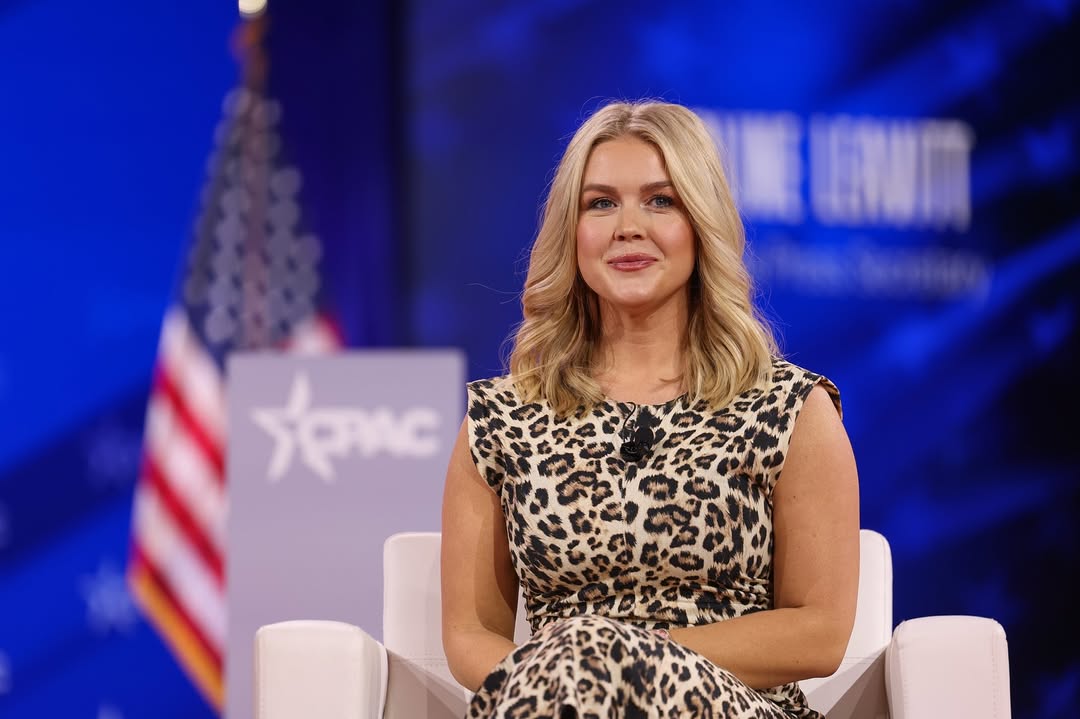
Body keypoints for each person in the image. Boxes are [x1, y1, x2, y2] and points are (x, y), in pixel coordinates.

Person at [440, 100, 860, 719]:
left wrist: (623, 661)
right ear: (571, 232)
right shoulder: (501, 419)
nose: (628, 226)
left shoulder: (791, 409)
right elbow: (468, 634)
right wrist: (570, 680)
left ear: (700, 223)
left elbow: (819, 633)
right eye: (600, 203)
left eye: (660, 201)